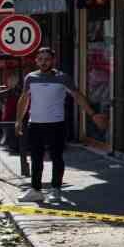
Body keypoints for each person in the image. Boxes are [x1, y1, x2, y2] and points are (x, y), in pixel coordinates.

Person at [15, 46, 107, 204]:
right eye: (41, 59)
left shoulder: (63, 78)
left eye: (47, 59)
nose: (44, 62)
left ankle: (55, 189)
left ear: (53, 61)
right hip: (34, 124)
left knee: (56, 157)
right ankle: (36, 190)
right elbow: (24, 99)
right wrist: (18, 120)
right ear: (36, 61)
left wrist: (92, 115)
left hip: (56, 124)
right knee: (36, 158)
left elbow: (78, 96)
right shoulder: (30, 78)